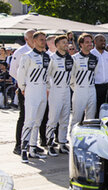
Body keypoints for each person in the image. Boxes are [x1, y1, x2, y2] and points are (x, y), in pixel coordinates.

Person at [17, 31, 50, 163]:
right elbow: (21, 74)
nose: (43, 42)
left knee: (38, 121)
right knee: (29, 121)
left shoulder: (47, 57)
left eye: (44, 39)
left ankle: (32, 149)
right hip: (31, 88)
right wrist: (23, 88)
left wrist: (47, 88)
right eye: (41, 39)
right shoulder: (27, 56)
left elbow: (48, 74)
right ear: (34, 41)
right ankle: (23, 149)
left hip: (42, 90)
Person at [9, 29, 38, 155]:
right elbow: (13, 71)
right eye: (32, 37)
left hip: (38, 89)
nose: (35, 39)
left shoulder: (41, 52)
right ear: (26, 39)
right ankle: (19, 145)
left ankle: (32, 144)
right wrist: (24, 84)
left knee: (35, 118)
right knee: (24, 116)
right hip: (25, 89)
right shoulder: (21, 52)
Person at [45, 35, 72, 156]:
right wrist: (49, 89)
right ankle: (50, 144)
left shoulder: (70, 58)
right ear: (57, 45)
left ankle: (62, 144)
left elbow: (74, 75)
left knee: (65, 119)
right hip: (55, 91)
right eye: (63, 43)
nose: (66, 44)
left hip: (67, 90)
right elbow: (46, 76)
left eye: (67, 42)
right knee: (53, 119)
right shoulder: (52, 58)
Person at [69, 33, 98, 130]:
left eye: (91, 42)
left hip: (91, 89)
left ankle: (89, 137)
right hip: (79, 90)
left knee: (91, 118)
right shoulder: (74, 58)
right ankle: (73, 137)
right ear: (81, 44)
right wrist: (77, 88)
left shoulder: (95, 58)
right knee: (76, 117)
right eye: (87, 42)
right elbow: (71, 77)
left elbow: (95, 74)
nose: (90, 44)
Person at [91, 34, 108, 117]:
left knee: (104, 108)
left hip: (106, 86)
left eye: (104, 41)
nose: (103, 42)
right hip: (95, 86)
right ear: (95, 42)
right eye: (101, 40)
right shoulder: (91, 54)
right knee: (94, 108)